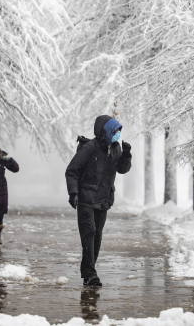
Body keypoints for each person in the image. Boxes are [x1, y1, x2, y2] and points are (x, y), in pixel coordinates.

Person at [65, 115, 132, 287]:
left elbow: (122, 170)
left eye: (119, 131)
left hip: (104, 200)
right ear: (107, 130)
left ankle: (89, 273)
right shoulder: (89, 148)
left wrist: (126, 155)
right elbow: (72, 170)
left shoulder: (116, 148)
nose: (118, 134)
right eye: (116, 131)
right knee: (89, 234)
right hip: (86, 199)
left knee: (97, 237)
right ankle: (91, 274)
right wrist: (73, 193)